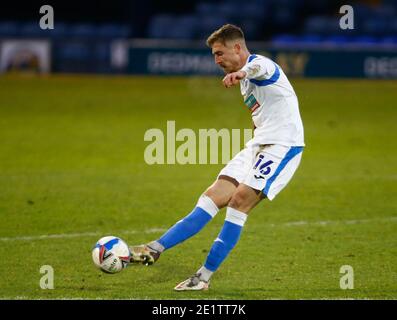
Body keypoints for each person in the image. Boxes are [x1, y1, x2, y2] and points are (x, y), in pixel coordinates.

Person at [129, 24, 305, 291]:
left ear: (237, 47)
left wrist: (243, 72)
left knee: (238, 202)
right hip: (257, 146)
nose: (217, 60)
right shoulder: (245, 82)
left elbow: (257, 69)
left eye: (219, 53)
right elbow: (260, 116)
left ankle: (202, 277)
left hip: (282, 147)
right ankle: (154, 248)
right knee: (212, 196)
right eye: (214, 55)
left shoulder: (260, 65)